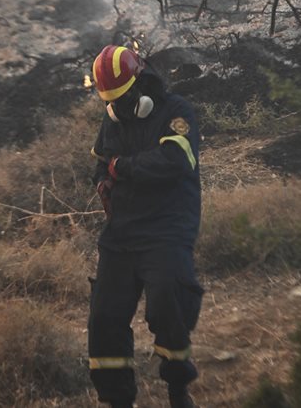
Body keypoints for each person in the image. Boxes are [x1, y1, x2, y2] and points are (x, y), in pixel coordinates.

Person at [87, 45, 204, 408]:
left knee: (168, 301)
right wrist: (103, 180)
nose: (118, 107)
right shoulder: (113, 119)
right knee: (104, 317)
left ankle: (177, 388)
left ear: (141, 84)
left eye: (123, 98)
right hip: (122, 232)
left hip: (167, 227)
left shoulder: (176, 112)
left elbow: (174, 160)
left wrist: (121, 169)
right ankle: (116, 398)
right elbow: (100, 163)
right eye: (112, 100)